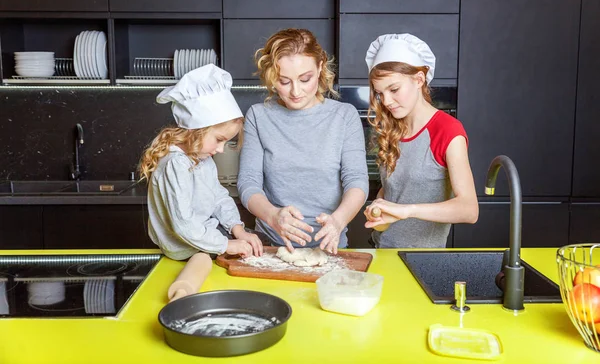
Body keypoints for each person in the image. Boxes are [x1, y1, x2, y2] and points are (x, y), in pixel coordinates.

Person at [237, 28, 369, 254]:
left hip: (329, 247)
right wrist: (273, 216)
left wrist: (338, 221)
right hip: (271, 246)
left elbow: (356, 180)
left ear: (320, 67)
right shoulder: (259, 116)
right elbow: (248, 182)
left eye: (305, 79)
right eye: (284, 81)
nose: (295, 91)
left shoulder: (344, 116)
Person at [363, 34, 479, 248]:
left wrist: (407, 211)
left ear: (418, 79)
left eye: (394, 89)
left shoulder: (447, 130)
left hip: (422, 260)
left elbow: (469, 210)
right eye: (380, 93)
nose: (387, 101)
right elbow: (395, 192)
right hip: (380, 251)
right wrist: (378, 210)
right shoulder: (391, 128)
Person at [139, 64, 263, 260]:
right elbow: (184, 224)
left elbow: (218, 197)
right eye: (219, 139)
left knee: (258, 243)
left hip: (207, 238)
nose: (221, 149)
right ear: (196, 131)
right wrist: (226, 244)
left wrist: (237, 229)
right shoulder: (175, 164)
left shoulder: (202, 158)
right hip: (186, 249)